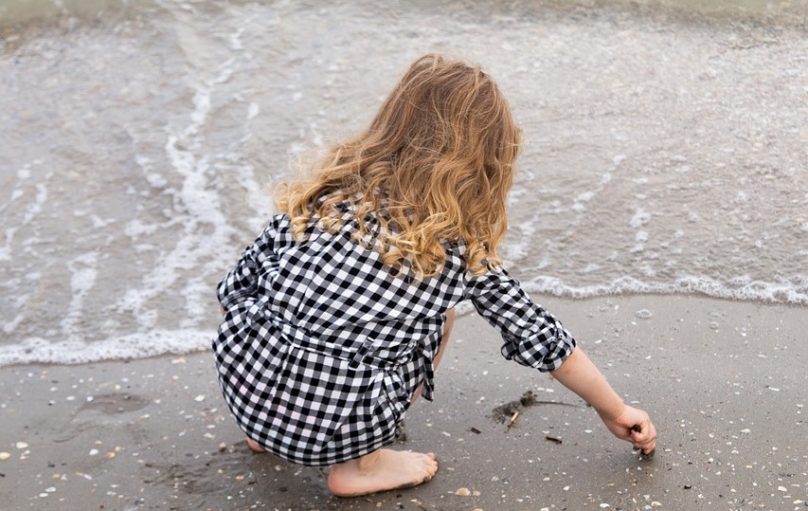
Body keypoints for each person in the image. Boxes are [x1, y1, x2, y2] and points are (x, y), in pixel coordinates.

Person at [212, 53, 656, 497]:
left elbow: (235, 287)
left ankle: (267, 430)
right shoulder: (454, 250)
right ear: (482, 161)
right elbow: (537, 334)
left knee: (280, 305)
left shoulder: (325, 195)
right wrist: (614, 409)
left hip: (245, 387)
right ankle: (360, 466)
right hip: (336, 422)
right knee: (440, 316)